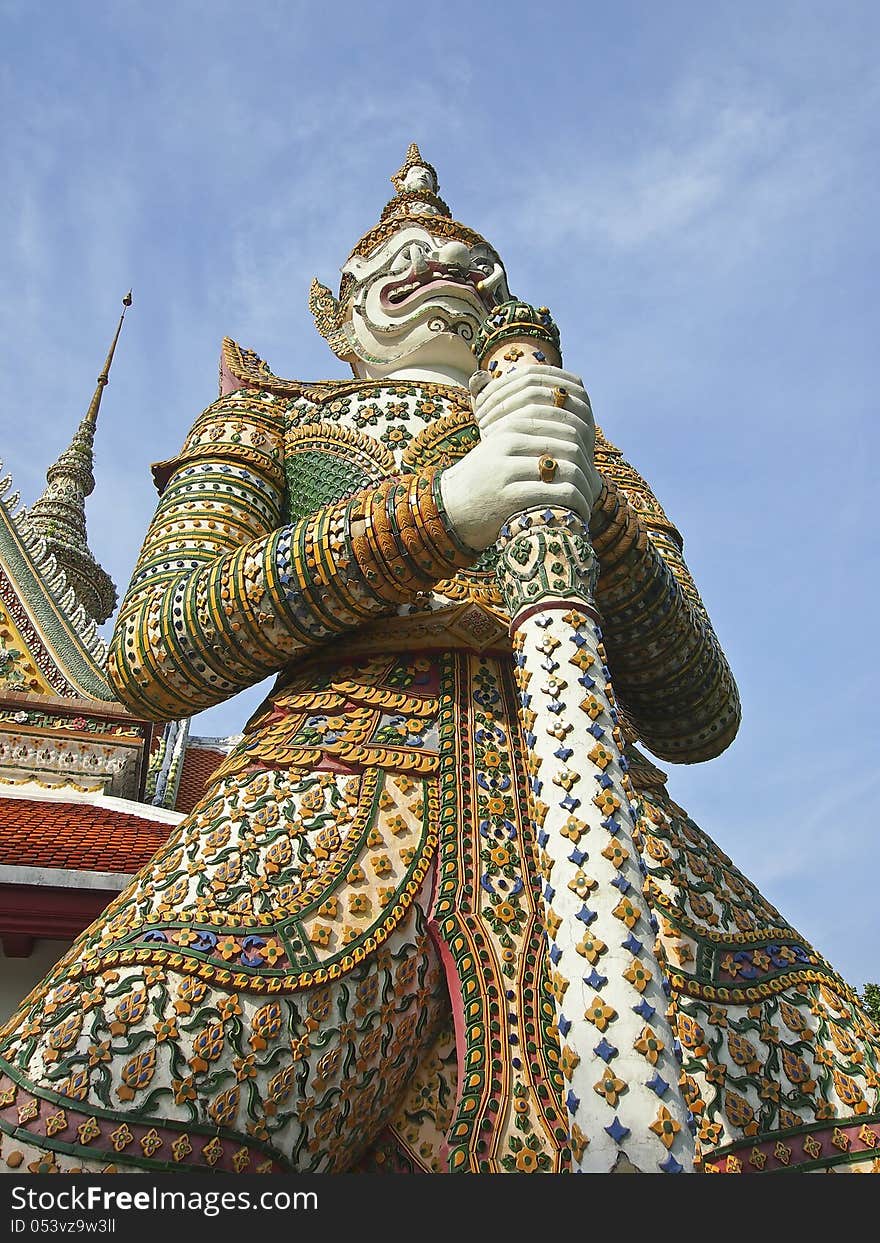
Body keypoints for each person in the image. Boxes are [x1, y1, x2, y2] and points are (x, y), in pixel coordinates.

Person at [1, 146, 876, 1175]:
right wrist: (442, 509)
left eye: (479, 269)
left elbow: (701, 713)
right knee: (67, 1146)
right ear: (339, 314)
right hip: (323, 810)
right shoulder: (273, 418)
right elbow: (154, 651)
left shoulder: (585, 447)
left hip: (599, 822)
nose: (456, 278)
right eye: (411, 261)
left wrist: (595, 514)